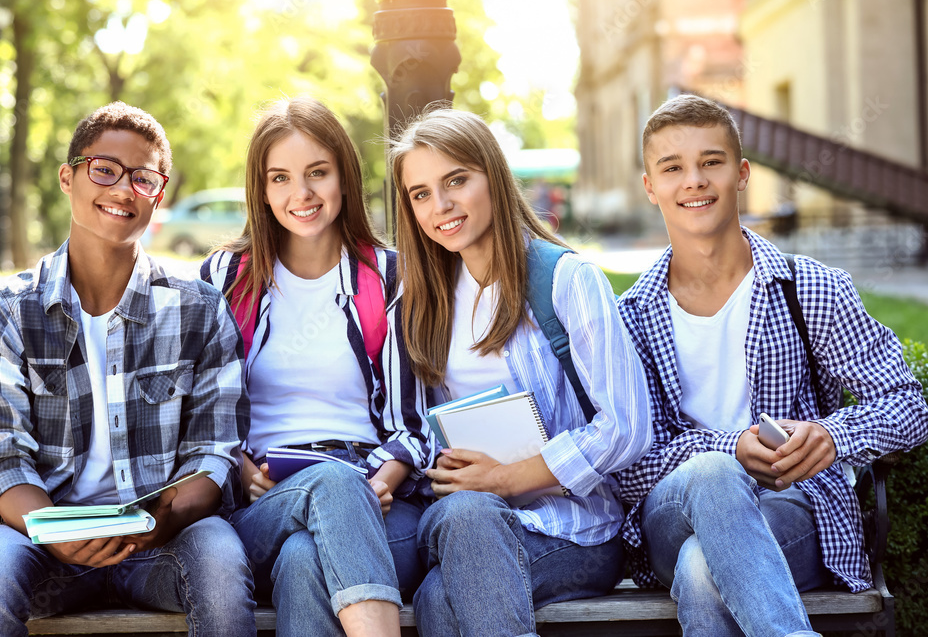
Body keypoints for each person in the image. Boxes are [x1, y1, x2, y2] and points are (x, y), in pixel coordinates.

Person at [615, 93, 928, 636]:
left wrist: (833, 436)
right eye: (673, 168)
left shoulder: (812, 290)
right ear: (650, 187)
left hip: (793, 508)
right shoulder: (629, 319)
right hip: (671, 514)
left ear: (741, 174)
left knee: (700, 570)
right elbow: (624, 464)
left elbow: (909, 405)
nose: (694, 181)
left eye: (711, 162)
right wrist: (726, 448)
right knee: (712, 473)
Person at [0, 102, 256, 637]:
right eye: (104, 169)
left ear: (157, 197)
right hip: (45, 545)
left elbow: (213, 456)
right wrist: (56, 533)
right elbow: (3, 461)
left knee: (220, 564)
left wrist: (157, 524)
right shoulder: (2, 313)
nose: (122, 190)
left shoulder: (200, 310)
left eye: (142, 178)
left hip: (162, 542)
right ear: (68, 177)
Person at [387, 105, 653, 637]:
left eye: (456, 180)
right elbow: (415, 427)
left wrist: (504, 479)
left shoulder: (567, 281)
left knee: (442, 595)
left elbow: (627, 426)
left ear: (493, 175)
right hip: (465, 518)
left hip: (573, 528)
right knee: (466, 519)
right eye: (421, 194)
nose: (441, 205)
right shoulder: (419, 304)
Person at [200, 97, 434, 636]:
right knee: (326, 491)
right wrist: (241, 470)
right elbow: (199, 412)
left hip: (379, 498)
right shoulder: (224, 278)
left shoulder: (391, 277)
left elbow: (417, 422)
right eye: (279, 177)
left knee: (306, 557)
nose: (300, 194)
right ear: (260, 189)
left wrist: (380, 478)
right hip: (261, 503)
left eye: (317, 173)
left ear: (345, 178)